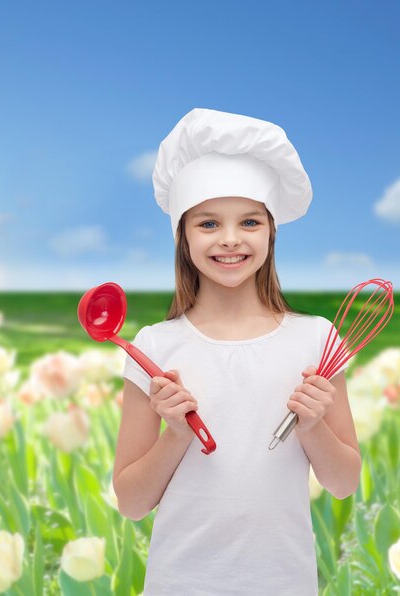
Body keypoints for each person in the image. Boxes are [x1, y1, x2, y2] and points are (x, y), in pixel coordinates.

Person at [113, 108, 361, 595]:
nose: (230, 239)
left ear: (271, 232)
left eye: (249, 221)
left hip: (284, 583)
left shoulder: (317, 340)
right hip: (179, 583)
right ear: (182, 237)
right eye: (208, 223)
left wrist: (312, 427)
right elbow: (131, 502)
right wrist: (176, 434)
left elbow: (344, 482)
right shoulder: (154, 348)